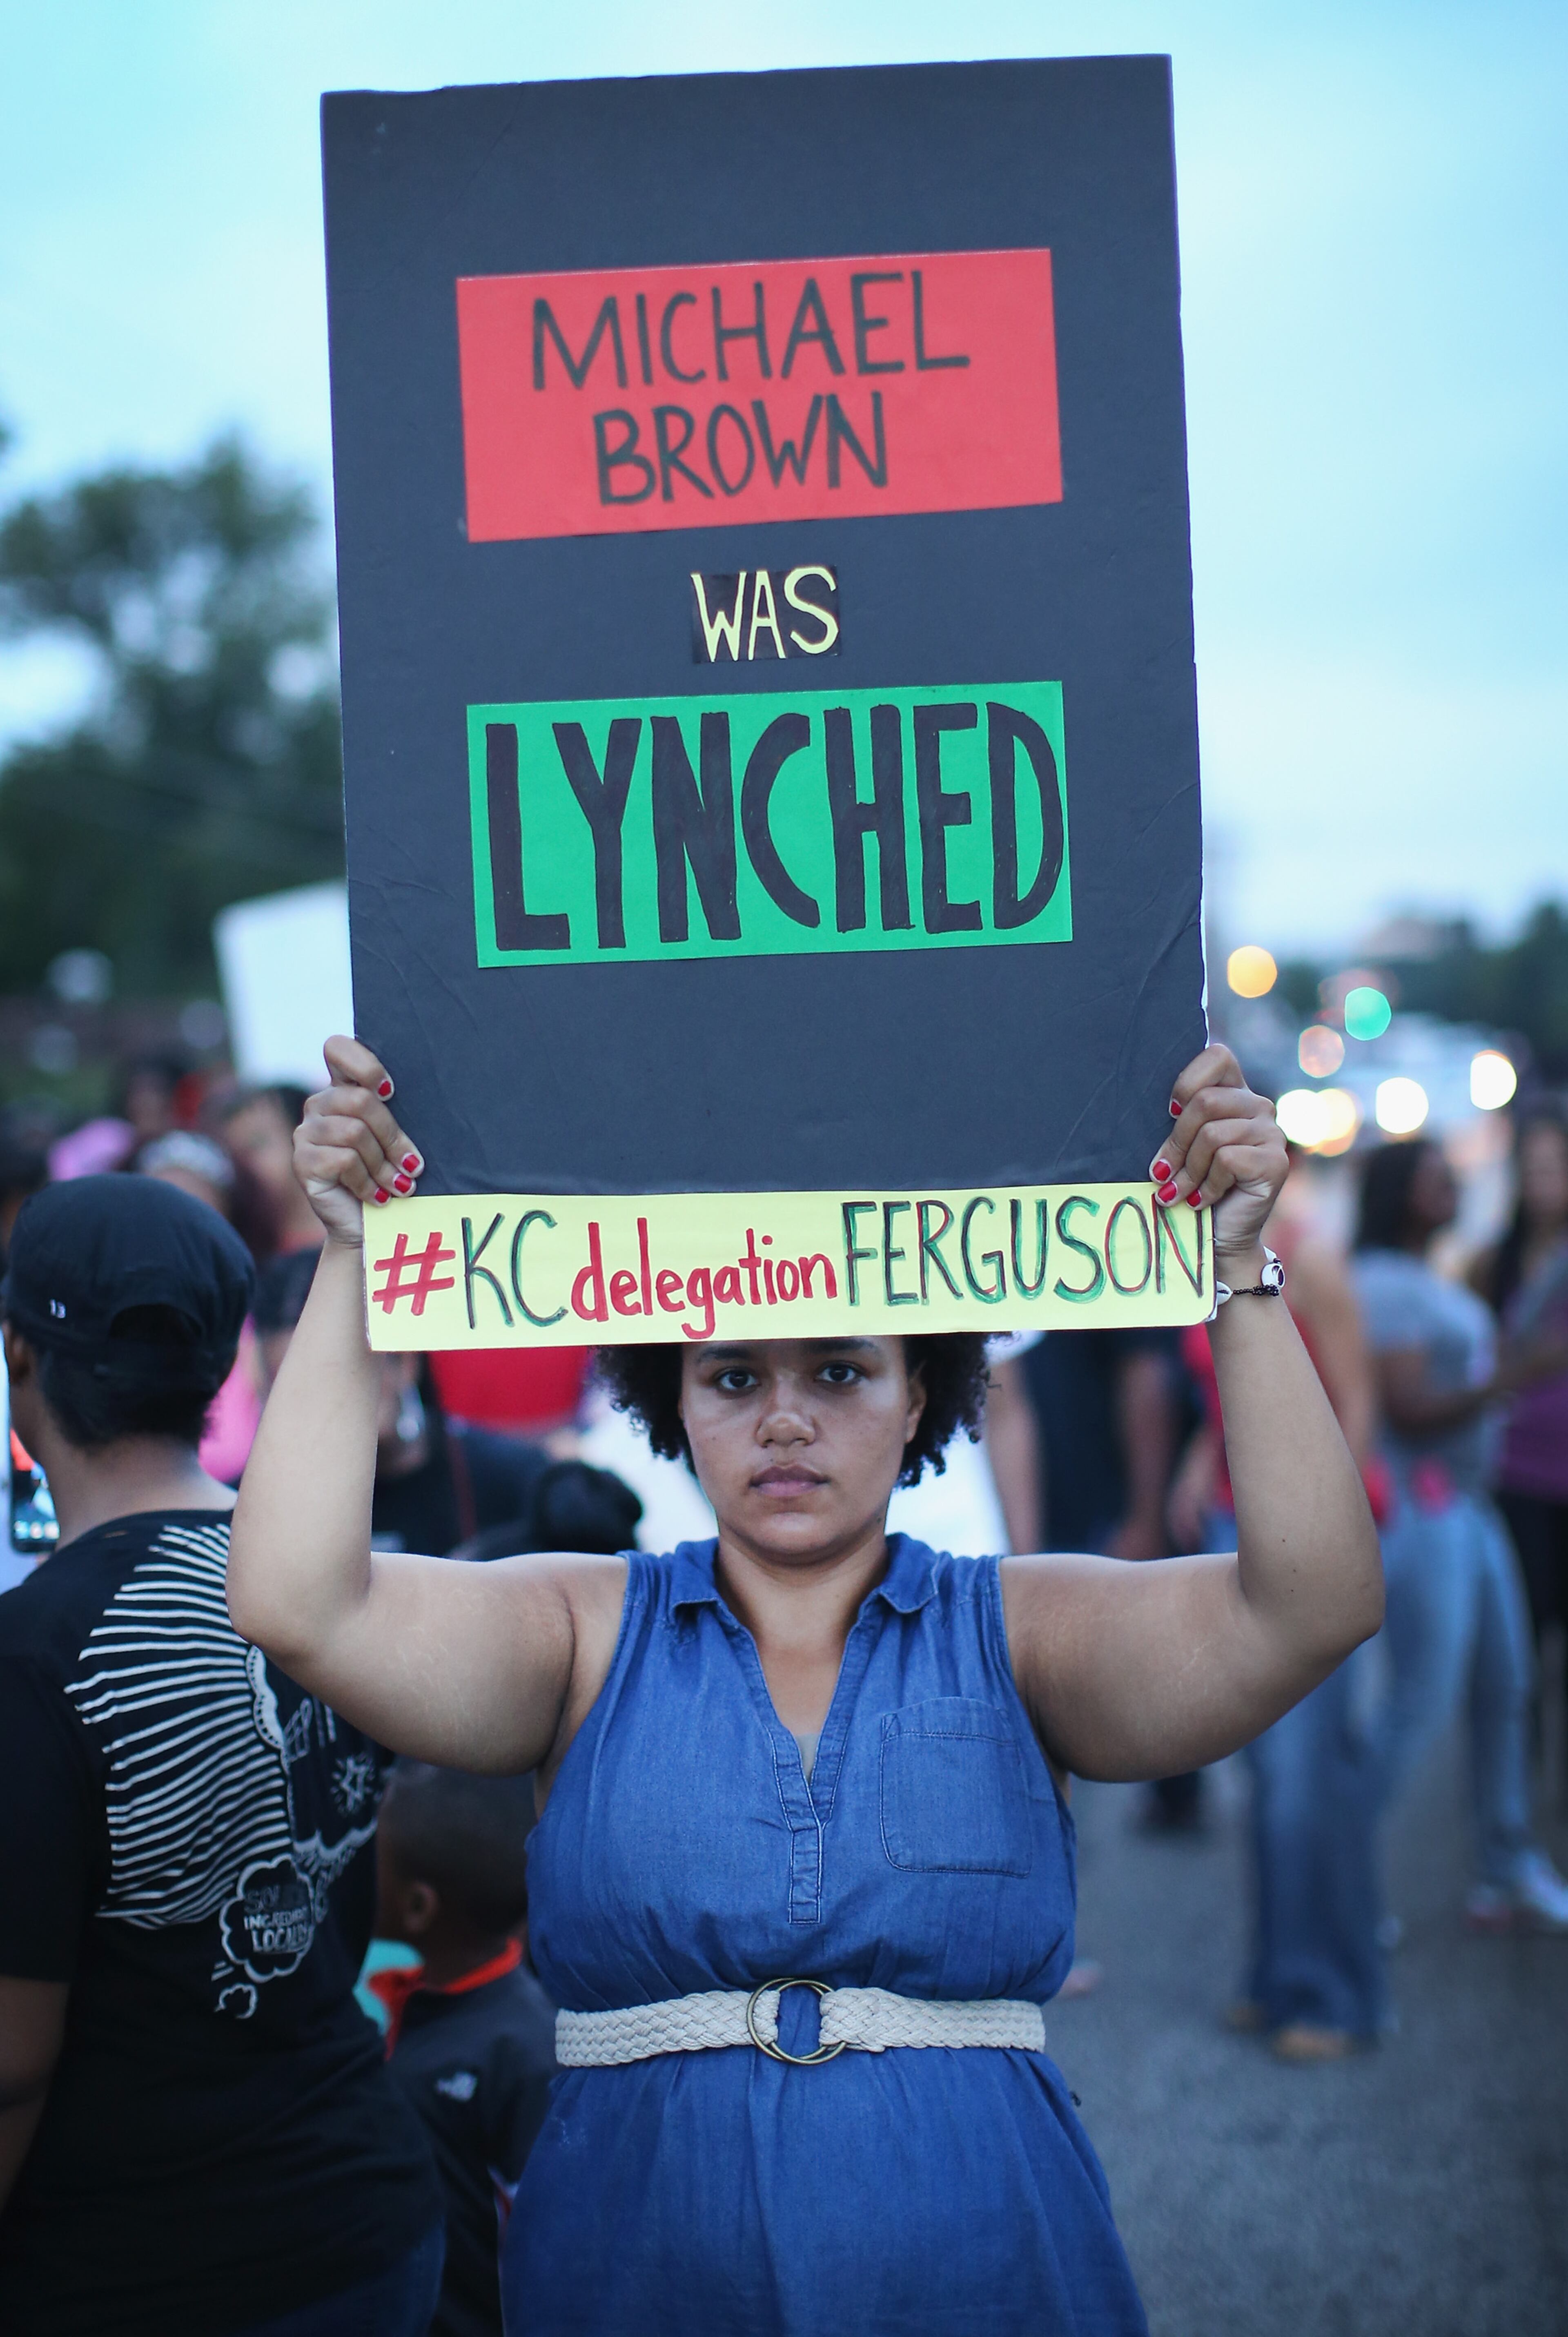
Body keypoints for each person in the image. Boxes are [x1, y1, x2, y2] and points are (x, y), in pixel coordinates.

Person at [227, 1035, 1381, 2337]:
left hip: (993, 2272)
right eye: (731, 1375)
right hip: (633, 2272)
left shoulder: (1020, 1629)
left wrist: (1239, 1266)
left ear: (918, 1396)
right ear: (670, 1401)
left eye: (838, 1367)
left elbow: (1312, 1601)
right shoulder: (579, 1626)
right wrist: (345, 1256)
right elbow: (296, 1602)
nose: (783, 1416)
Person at [0, 1173, 444, 2335]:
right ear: (220, 1368)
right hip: (372, 2210)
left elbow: (11, 2056)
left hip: (151, 2266)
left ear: (21, 1361)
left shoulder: (32, 1652)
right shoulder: (330, 1586)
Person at [1178, 1177, 1386, 2057]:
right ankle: (1279, 1975)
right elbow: (1232, 1383)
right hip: (1238, 1517)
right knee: (1272, 1768)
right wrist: (1197, 1461)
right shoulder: (1195, 1249)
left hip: (1307, 1530)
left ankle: (1334, 1996)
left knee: (1309, 1772)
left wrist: (1331, 1525)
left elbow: (1357, 1404)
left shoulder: (1311, 1254)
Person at [1353, 1138, 1568, 1932]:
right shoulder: (1382, 1284)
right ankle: (1347, 1871)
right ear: (1404, 1194)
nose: (1457, 1187)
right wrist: (1521, 1373)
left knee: (1505, 1683)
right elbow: (1407, 1406)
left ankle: (1506, 1860)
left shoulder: (1434, 1273)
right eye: (1441, 1179)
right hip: (1424, 1506)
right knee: (1424, 1692)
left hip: (1470, 1505)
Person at [251, 1249, 637, 1558]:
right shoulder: (254, 1513)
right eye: (291, 1389)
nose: (319, 1408)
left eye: (337, 1377)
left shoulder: (514, 1481)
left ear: (403, 1362)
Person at [370, 1764, 557, 2337]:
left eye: (369, 1858)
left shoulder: (523, 2054)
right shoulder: (399, 2002)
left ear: (418, 1906)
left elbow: (543, 2248)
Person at [1022, 1324, 1201, 1830]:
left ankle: (1175, 1788)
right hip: (1058, 1506)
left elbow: (1147, 1375)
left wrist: (1145, 1516)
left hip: (1100, 1509)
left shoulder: (1108, 1252)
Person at [1470, 1108, 1568, 1793]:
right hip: (1518, 1475)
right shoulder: (1494, 1258)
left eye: (1555, 1166)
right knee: (1521, 1643)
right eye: (1533, 1167)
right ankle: (1522, 1785)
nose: (1544, 1181)